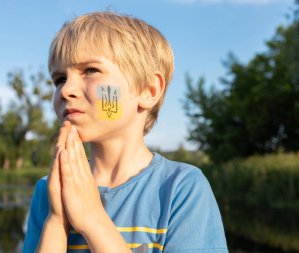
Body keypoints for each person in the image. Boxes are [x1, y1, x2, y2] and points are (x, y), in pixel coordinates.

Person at [22, 11, 228, 253]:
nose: (66, 89)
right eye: (59, 78)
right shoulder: (48, 190)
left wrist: (92, 219)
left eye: (90, 70)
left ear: (149, 90)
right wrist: (56, 222)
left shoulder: (181, 188)